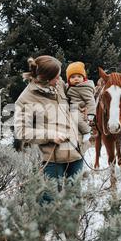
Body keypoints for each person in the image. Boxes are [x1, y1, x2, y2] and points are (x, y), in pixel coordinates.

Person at [14, 56, 85, 198]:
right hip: (53, 160)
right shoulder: (25, 99)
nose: (60, 80)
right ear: (46, 79)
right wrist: (50, 135)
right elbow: (21, 131)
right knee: (49, 201)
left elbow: (74, 98)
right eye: (57, 77)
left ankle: (73, 220)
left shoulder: (58, 85)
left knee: (75, 199)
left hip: (76, 153)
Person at [65, 62, 96, 145]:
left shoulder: (84, 88)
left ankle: (87, 131)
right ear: (68, 79)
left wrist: (91, 114)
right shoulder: (68, 87)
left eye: (79, 76)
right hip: (72, 107)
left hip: (79, 108)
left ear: (84, 78)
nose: (76, 79)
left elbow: (90, 100)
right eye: (73, 77)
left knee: (75, 117)